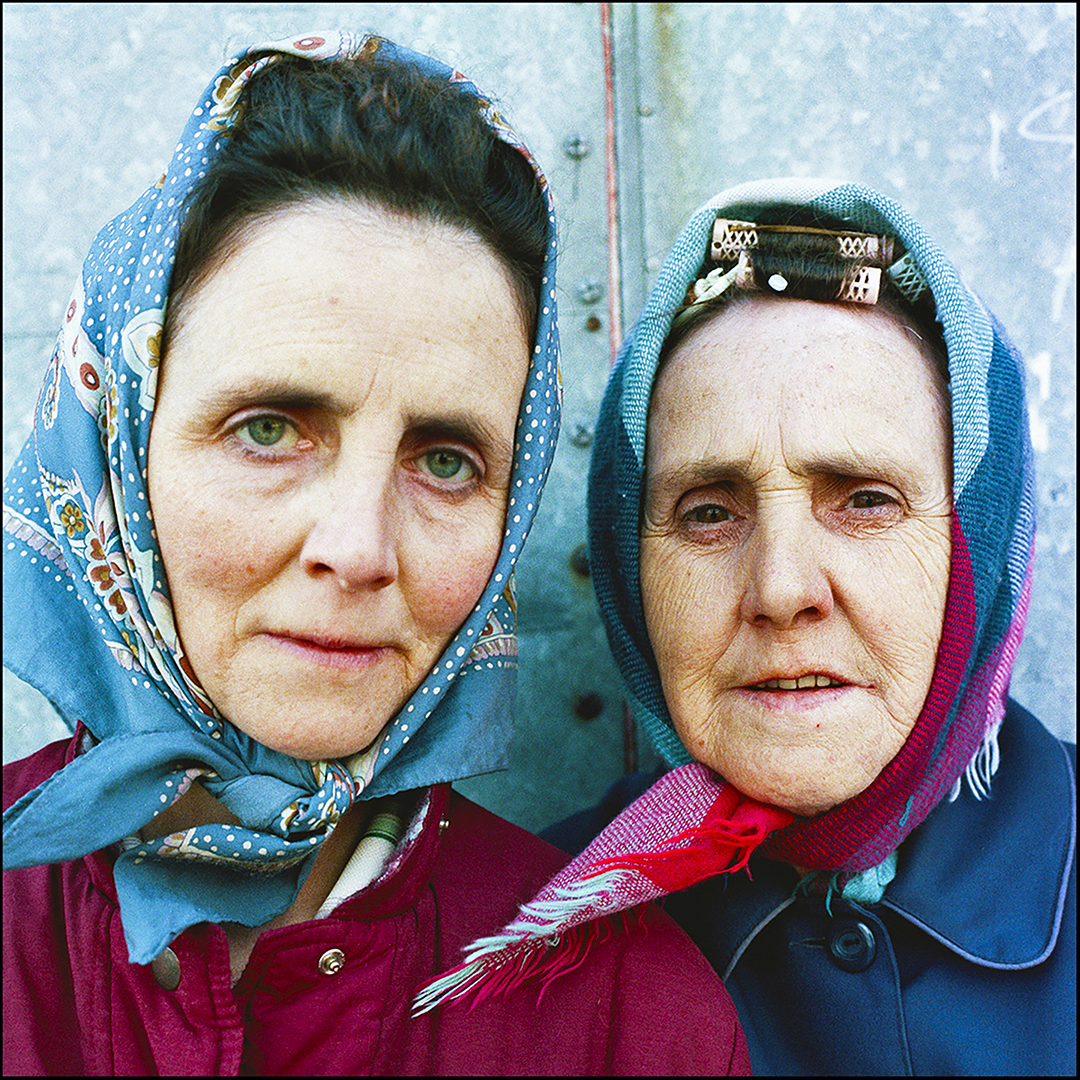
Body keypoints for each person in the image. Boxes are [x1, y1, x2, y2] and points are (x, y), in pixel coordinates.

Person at [1, 33, 751, 1075]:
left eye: (445, 462)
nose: (358, 551)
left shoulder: (630, 1022)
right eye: (269, 430)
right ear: (121, 451)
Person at [418, 179, 1076, 1075]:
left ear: (976, 547)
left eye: (866, 500)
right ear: (629, 567)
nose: (781, 588)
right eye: (708, 512)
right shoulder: (520, 947)